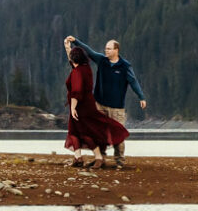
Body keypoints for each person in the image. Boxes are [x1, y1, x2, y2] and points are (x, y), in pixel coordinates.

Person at [60, 37, 124, 167]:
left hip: (80, 107)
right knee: (77, 132)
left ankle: (97, 157)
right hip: (88, 104)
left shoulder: (77, 72)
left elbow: (76, 92)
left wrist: (73, 108)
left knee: (82, 132)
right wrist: (67, 47)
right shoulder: (85, 68)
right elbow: (72, 61)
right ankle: (79, 157)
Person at [90, 38, 148, 168]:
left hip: (117, 108)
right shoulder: (102, 60)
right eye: (106, 48)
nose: (106, 50)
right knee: (99, 133)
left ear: (116, 50)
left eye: (109, 48)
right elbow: (89, 51)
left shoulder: (125, 66)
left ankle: (120, 161)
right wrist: (75, 41)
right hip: (100, 104)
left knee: (118, 134)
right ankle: (101, 158)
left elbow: (133, 82)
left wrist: (141, 97)